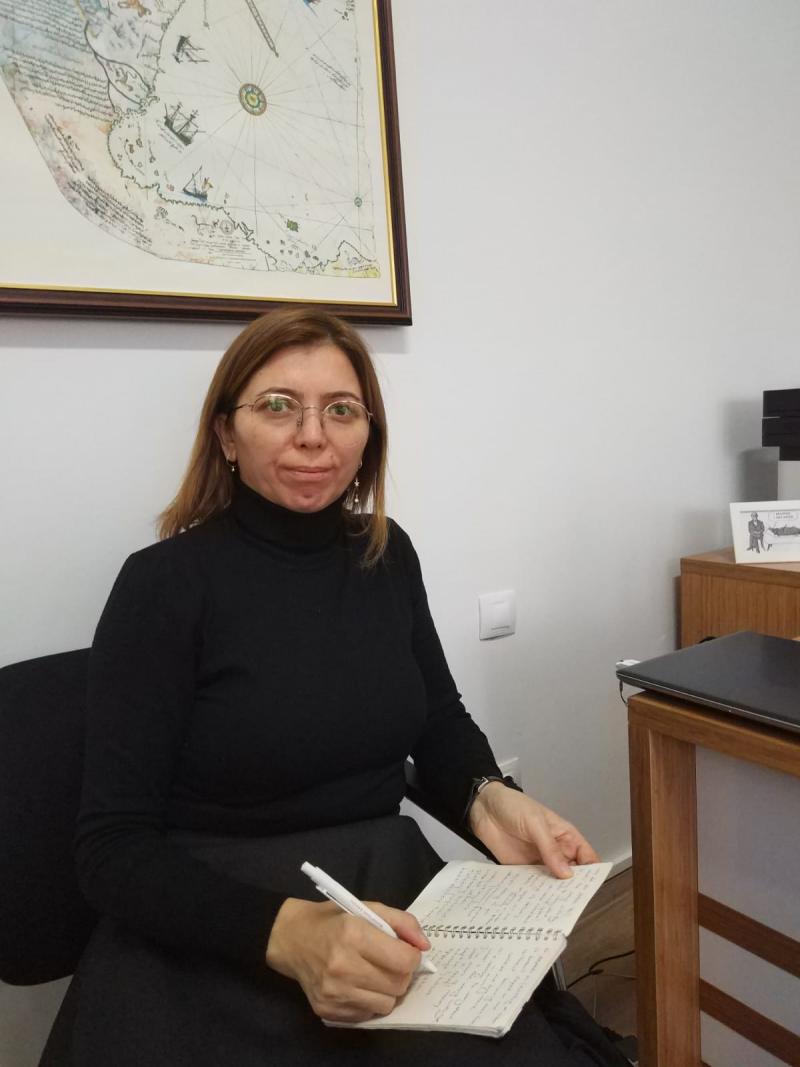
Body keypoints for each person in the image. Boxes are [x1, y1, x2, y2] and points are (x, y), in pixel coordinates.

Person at [41, 308, 628, 1066]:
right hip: (218, 922)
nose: (313, 436)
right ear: (226, 435)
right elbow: (110, 849)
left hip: (386, 894)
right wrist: (288, 933)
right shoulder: (163, 585)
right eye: (278, 405)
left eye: (341, 410)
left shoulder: (386, 554)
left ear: (367, 435)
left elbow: (438, 720)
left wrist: (489, 795)